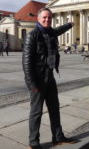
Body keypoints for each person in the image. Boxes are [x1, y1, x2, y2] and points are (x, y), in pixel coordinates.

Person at [22, 8, 76, 149]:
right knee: (36, 112)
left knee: (54, 108)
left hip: (49, 76)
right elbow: (27, 64)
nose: (47, 20)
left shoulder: (51, 32)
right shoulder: (32, 36)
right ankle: (33, 143)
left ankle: (58, 137)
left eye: (49, 18)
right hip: (37, 79)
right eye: (44, 17)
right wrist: (32, 85)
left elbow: (59, 29)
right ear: (38, 19)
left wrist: (70, 25)